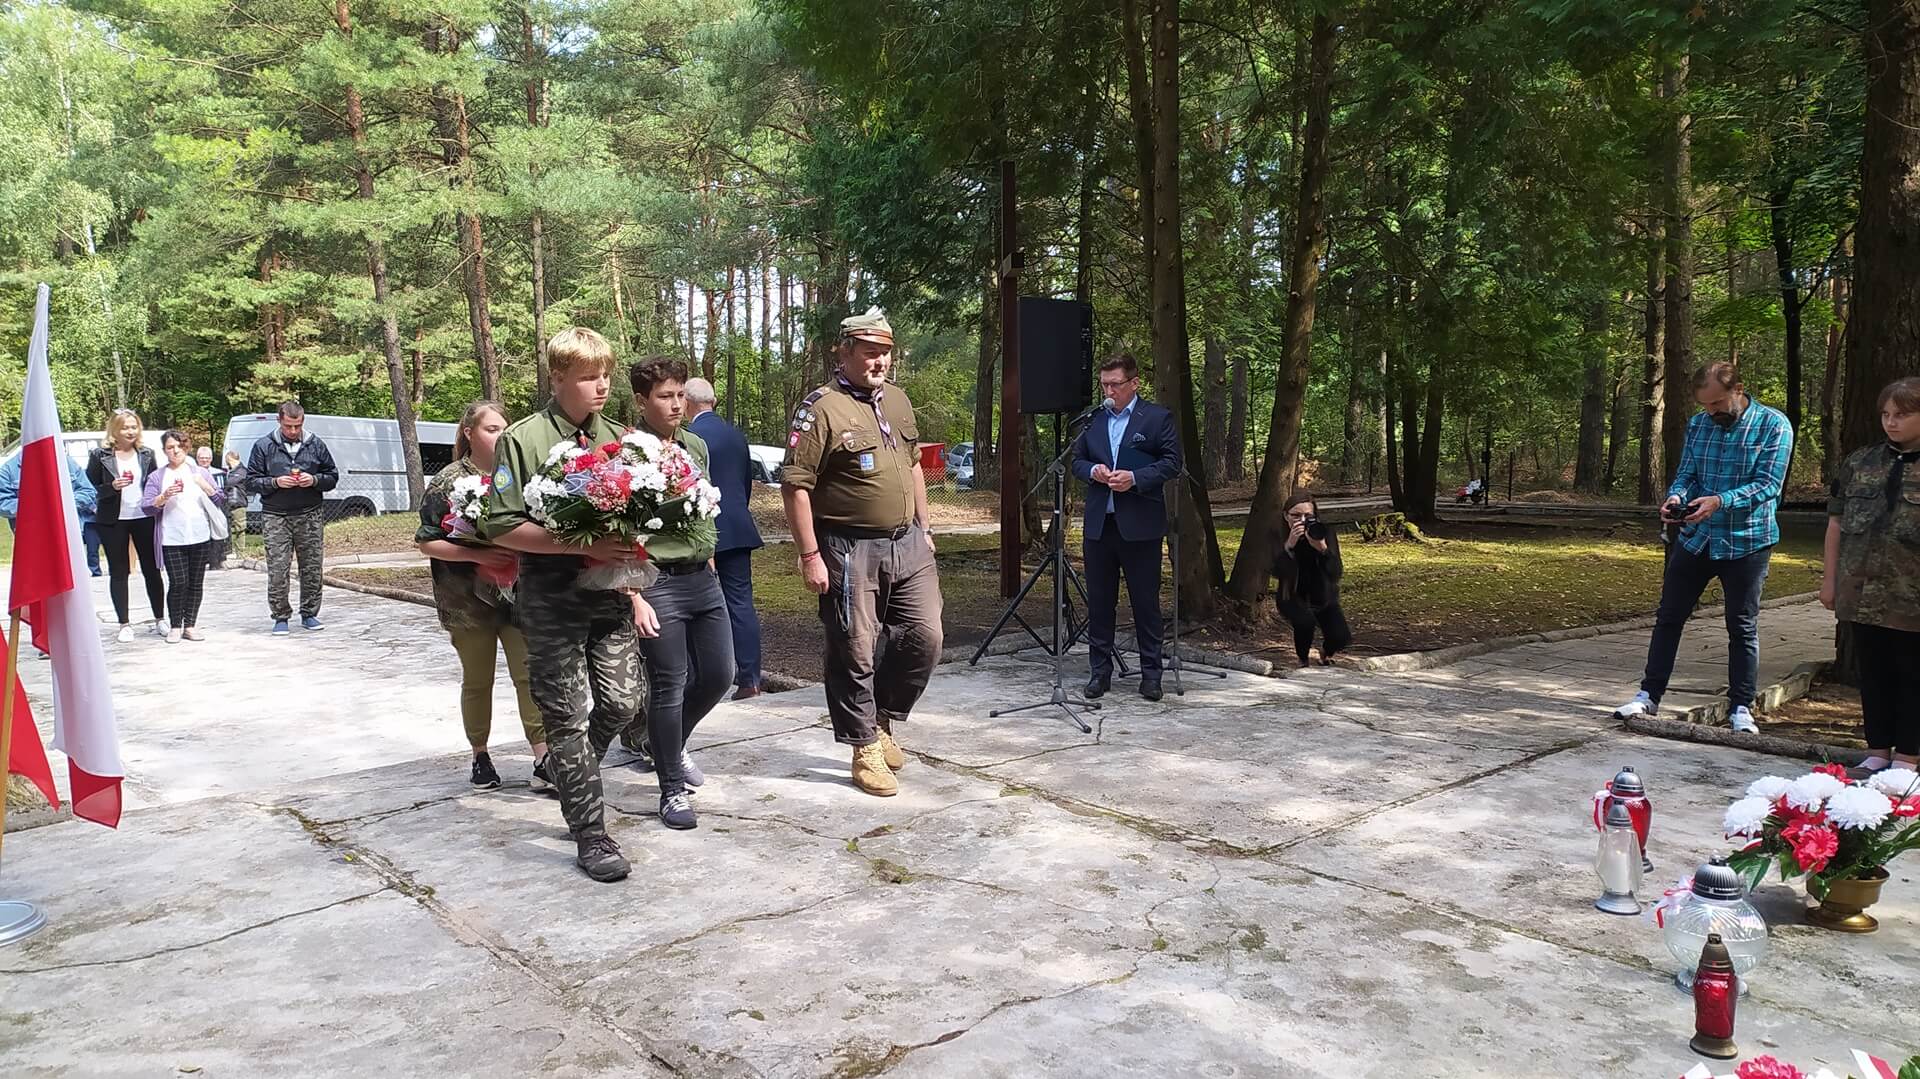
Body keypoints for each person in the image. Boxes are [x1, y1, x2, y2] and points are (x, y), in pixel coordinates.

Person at [480, 327, 645, 882]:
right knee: (566, 716)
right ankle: (591, 835)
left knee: (623, 703)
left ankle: (564, 767)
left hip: (609, 592)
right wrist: (579, 545)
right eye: (588, 377)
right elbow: (503, 526)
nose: (602, 386)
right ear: (557, 378)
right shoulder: (523, 440)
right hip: (551, 597)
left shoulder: (622, 439)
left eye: (606, 375)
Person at [780, 307, 943, 798]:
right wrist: (810, 555)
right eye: (870, 353)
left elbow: (913, 465)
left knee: (925, 637)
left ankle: (883, 719)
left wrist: (925, 527)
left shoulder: (897, 399)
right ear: (845, 352)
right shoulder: (821, 408)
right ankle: (863, 746)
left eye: (885, 353)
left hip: (908, 543)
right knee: (854, 648)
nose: (880, 362)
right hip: (849, 547)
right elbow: (796, 486)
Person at [1613, 363, 1793, 734]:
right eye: (1705, 406)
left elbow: (1768, 485)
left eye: (1717, 404)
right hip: (1697, 538)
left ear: (1738, 389)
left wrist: (1720, 501)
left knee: (1741, 626)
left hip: (1747, 541)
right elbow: (1688, 474)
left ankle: (1741, 707)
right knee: (1668, 617)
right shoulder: (1699, 425)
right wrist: (1676, 496)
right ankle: (1649, 696)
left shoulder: (1774, 425)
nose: (1712, 412)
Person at [415, 401, 550, 792]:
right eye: (491, 429)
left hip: (517, 596)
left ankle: (543, 758)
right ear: (469, 433)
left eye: (504, 429)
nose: (500, 436)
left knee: (529, 676)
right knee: (478, 680)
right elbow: (427, 542)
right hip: (466, 601)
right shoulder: (448, 481)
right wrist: (478, 555)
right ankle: (480, 755)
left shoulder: (519, 477)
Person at [627, 359, 732, 830]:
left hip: (701, 577)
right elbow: (619, 527)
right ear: (641, 401)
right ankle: (671, 788)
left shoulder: (695, 445)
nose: (676, 404)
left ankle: (667, 743)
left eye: (680, 395)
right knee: (669, 683)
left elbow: (703, 508)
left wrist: (710, 560)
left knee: (719, 675)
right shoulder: (628, 452)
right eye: (665, 396)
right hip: (657, 580)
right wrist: (633, 593)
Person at [1820, 376, 1920, 774]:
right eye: (1886, 414)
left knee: (1912, 674)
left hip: (1911, 594)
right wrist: (1830, 581)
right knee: (1874, 673)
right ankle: (1877, 750)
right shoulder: (1861, 462)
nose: (1891, 422)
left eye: (1902, 415)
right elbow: (1836, 524)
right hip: (1862, 590)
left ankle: (1908, 757)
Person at [1070, 352, 1182, 702]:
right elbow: (1076, 460)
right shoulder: (1093, 420)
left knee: (1145, 603)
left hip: (1140, 526)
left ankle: (1151, 675)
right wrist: (1094, 471)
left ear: (1134, 383)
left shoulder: (1157, 418)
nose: (1109, 391)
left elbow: (1172, 463)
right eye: (1104, 385)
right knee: (1100, 603)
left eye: (1115, 384)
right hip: (1100, 525)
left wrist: (1135, 478)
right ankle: (1099, 673)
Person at [684, 375, 765, 700]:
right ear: (713, 401)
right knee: (741, 603)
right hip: (738, 527)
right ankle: (750, 679)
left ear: (687, 403)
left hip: (704, 531)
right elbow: (745, 482)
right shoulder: (736, 435)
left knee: (698, 606)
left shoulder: (690, 438)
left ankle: (704, 677)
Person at [246, 401, 339, 636]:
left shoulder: (316, 445)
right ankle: (280, 616)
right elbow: (251, 481)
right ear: (279, 421)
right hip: (275, 515)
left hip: (310, 514)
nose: (293, 431)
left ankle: (309, 613)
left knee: (312, 567)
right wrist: (274, 482)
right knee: (278, 568)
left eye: (297, 426)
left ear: (303, 422)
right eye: (288, 426)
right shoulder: (263, 446)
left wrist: (314, 480)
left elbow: (332, 476)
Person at [86, 409, 166, 643]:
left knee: (152, 569)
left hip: (143, 517)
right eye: (125, 427)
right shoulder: (100, 455)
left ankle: (160, 618)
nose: (130, 431)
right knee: (119, 571)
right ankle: (124, 624)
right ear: (115, 430)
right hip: (113, 520)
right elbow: (89, 489)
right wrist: (111, 487)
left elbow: (154, 484)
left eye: (134, 427)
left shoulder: (146, 454)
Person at [142, 430, 225, 643]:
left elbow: (219, 499)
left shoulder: (199, 472)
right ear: (164, 451)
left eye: (179, 446)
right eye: (170, 447)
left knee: (196, 582)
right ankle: (175, 625)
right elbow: (147, 507)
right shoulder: (157, 476)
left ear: (187, 447)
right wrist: (163, 496)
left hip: (199, 535)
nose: (175, 451)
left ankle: (190, 625)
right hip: (171, 537)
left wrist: (205, 486)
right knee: (178, 582)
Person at [1271, 492, 1353, 667]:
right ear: (1286, 516)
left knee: (1341, 637)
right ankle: (1303, 659)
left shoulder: (1324, 533)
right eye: (1296, 516)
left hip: (1323, 595)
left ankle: (1325, 652)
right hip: (1292, 595)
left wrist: (1323, 549)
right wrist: (1289, 546)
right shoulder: (1277, 535)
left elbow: (1336, 573)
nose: (1302, 521)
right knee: (1305, 622)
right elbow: (1276, 572)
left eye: (1308, 516)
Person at [198, 446, 230, 571]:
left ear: (211, 459)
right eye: (202, 458)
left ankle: (216, 560)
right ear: (197, 459)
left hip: (216, 506)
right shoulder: (192, 472)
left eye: (207, 458)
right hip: (199, 507)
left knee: (218, 531)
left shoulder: (219, 473)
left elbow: (223, 491)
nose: (204, 460)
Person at [222, 449, 249, 559]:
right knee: (228, 529)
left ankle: (240, 554)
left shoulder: (241, 471)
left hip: (238, 504)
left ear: (230, 458)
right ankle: (229, 551)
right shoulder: (230, 471)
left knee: (240, 529)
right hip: (228, 503)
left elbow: (229, 483)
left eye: (227, 460)